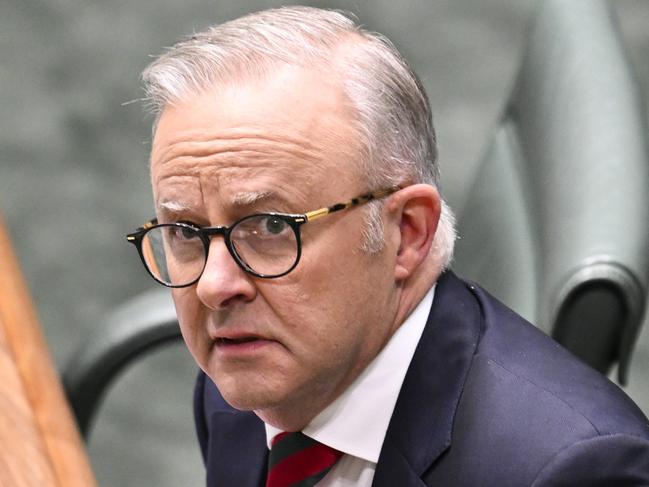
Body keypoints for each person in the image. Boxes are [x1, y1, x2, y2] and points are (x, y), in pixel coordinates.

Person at [127, 6, 649, 486]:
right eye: (184, 232)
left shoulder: (577, 473)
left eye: (269, 228)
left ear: (407, 233)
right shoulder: (245, 378)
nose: (215, 287)